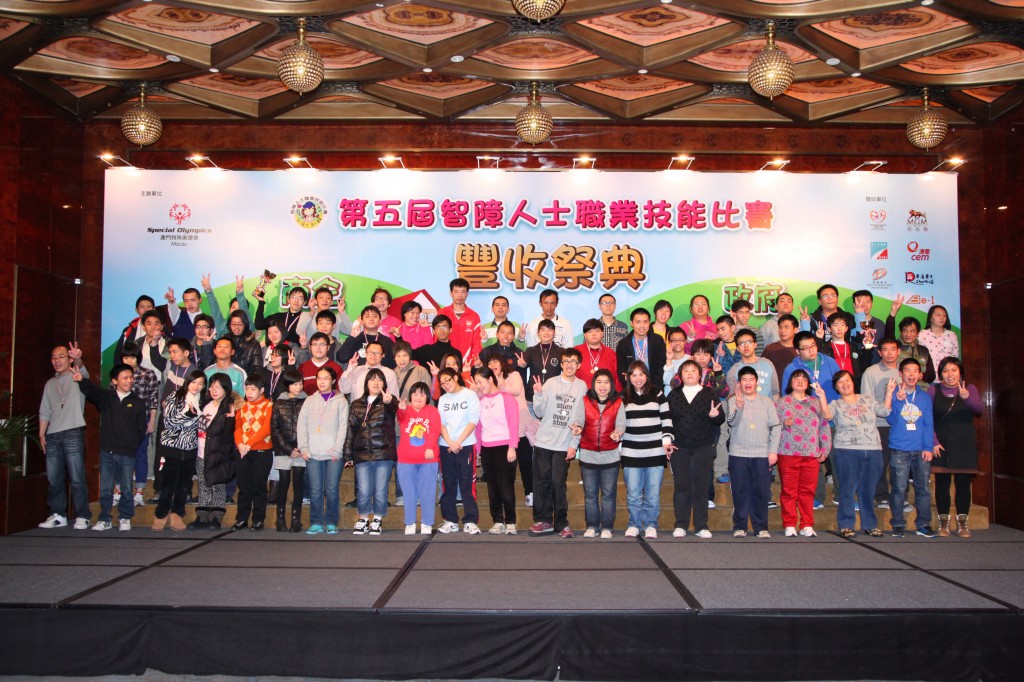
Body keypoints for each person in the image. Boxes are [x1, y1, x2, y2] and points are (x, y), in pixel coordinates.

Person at [72, 363, 148, 531]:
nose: (129, 380)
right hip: (107, 452)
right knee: (106, 489)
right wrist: (81, 380)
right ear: (114, 381)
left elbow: (141, 429)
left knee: (127, 488)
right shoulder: (107, 398)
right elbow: (92, 391)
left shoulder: (138, 402)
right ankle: (104, 518)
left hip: (127, 453)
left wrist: (131, 446)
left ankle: (125, 517)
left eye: (131, 377)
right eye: (125, 378)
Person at [825, 370, 895, 538]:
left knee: (868, 490)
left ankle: (870, 525)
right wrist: (821, 396)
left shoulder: (867, 399)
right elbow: (827, 416)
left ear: (853, 381)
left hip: (873, 450)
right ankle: (846, 524)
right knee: (847, 489)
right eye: (840, 382)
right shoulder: (835, 404)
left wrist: (889, 393)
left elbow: (884, 412)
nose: (845, 384)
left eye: (847, 380)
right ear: (836, 387)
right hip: (846, 451)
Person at [530, 348, 587, 538]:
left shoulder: (581, 387)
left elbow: (580, 417)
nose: (569, 365)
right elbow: (539, 412)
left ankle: (562, 523)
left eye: (573, 361)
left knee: (557, 483)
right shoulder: (550, 383)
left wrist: (574, 444)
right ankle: (543, 521)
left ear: (579, 365)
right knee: (542, 483)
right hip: (543, 442)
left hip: (563, 445)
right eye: (566, 361)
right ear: (561, 364)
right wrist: (539, 394)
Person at [665, 360, 724, 538]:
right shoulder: (674, 394)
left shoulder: (709, 393)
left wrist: (714, 415)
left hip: (703, 447)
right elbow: (667, 420)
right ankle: (681, 525)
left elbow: (720, 418)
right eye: (686, 370)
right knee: (681, 487)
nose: (690, 373)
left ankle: (701, 526)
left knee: (701, 487)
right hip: (679, 447)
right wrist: (667, 440)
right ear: (680, 375)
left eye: (693, 370)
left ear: (700, 374)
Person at [38, 344, 91, 530]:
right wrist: (42, 433)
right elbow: (45, 410)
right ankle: (58, 514)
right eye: (53, 358)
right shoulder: (50, 383)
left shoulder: (77, 375)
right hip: (52, 435)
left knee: (77, 477)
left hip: (73, 432)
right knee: (54, 478)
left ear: (69, 359)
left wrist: (78, 358)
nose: (57, 361)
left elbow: (82, 370)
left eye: (61, 357)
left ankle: (82, 515)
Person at [568, 368, 624, 539]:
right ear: (593, 384)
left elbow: (621, 424)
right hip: (588, 456)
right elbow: (579, 420)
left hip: (610, 456)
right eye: (599, 382)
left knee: (608, 495)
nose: (603, 386)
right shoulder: (585, 401)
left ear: (611, 385)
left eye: (606, 382)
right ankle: (592, 526)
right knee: (590, 495)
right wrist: (578, 428)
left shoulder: (618, 402)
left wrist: (618, 434)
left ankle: (607, 527)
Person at [775, 370, 831, 537]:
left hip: (811, 453)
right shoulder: (781, 403)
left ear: (808, 383)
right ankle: (789, 524)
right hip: (788, 452)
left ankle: (807, 524)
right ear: (790, 381)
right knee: (789, 491)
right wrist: (784, 424)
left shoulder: (816, 402)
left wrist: (825, 448)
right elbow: (773, 426)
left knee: (808, 491)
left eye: (804, 379)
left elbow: (824, 426)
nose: (800, 381)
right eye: (796, 378)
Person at [726, 366, 781, 538]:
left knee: (761, 492)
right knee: (739, 492)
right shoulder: (734, 400)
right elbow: (732, 423)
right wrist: (739, 407)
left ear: (757, 382)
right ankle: (740, 526)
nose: (748, 383)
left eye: (751, 379)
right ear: (739, 383)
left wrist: (773, 451)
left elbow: (776, 427)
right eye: (744, 379)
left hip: (762, 454)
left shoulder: (766, 401)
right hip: (738, 453)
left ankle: (761, 527)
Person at [620, 361, 672, 539]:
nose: (638, 378)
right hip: (631, 452)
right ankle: (634, 524)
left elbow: (666, 419)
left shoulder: (657, 393)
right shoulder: (622, 396)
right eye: (634, 375)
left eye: (641, 374)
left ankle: (650, 524)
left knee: (653, 493)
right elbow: (619, 423)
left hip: (655, 451)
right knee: (633, 493)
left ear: (647, 376)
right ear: (628, 377)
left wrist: (666, 440)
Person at [929, 358, 981, 538]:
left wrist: (967, 398)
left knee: (963, 484)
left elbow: (978, 409)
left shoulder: (969, 388)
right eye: (945, 371)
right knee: (942, 484)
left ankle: (962, 525)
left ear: (960, 372)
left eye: (954, 370)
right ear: (940, 374)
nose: (950, 374)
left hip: (964, 443)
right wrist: (934, 441)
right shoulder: (933, 390)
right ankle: (943, 525)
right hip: (941, 443)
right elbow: (927, 418)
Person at [344, 368, 399, 536]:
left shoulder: (388, 401)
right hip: (362, 453)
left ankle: (377, 518)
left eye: (380, 379)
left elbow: (395, 408)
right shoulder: (356, 404)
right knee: (363, 489)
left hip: (384, 453)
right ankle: (363, 518)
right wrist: (348, 455)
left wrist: (390, 401)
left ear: (385, 384)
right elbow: (350, 430)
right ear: (366, 383)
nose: (376, 382)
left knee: (380, 489)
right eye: (372, 379)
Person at [886, 358, 937, 538]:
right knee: (899, 489)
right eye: (908, 370)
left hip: (921, 449)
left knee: (923, 489)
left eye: (915, 371)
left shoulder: (924, 397)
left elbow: (928, 423)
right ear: (901, 374)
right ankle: (898, 524)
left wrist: (928, 447)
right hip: (899, 448)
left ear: (920, 375)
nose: (912, 374)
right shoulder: (894, 394)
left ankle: (923, 525)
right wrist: (898, 401)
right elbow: (890, 419)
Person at [297, 366, 349, 535]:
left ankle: (332, 522)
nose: (322, 381)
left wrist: (338, 450)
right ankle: (316, 522)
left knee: (332, 489)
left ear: (333, 381)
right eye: (319, 378)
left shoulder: (341, 401)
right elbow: (301, 425)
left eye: (326, 378)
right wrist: (304, 447)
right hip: (312, 452)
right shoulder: (309, 400)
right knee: (315, 489)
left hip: (333, 452)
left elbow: (343, 427)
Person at [152, 370, 206, 531]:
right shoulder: (175, 397)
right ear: (187, 382)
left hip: (190, 448)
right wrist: (188, 415)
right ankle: (160, 515)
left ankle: (177, 514)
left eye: (200, 383)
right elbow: (168, 422)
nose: (196, 386)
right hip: (172, 446)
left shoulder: (202, 400)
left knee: (184, 485)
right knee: (168, 484)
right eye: (193, 382)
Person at [473, 367, 520, 535]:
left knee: (506, 487)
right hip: (487, 449)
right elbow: (478, 428)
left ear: (490, 379)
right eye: (476, 383)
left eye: (480, 382)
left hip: (505, 448)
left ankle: (511, 522)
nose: (479, 386)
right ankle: (498, 521)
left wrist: (512, 447)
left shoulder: (506, 398)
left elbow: (513, 422)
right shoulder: (480, 401)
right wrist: (479, 451)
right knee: (492, 489)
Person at [436, 367, 482, 534]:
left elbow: (473, 420)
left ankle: (470, 520)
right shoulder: (443, 399)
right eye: (442, 383)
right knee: (448, 483)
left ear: (455, 377)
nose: (445, 385)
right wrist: (450, 442)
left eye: (447, 380)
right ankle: (450, 520)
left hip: (466, 445)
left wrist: (458, 442)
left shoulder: (469, 395)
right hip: (446, 446)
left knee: (467, 483)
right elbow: (441, 423)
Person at [487, 354, 536, 509]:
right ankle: (506, 497)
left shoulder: (514, 374)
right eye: (489, 363)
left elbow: (516, 390)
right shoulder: (489, 382)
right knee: (506, 466)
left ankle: (530, 493)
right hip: (503, 429)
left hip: (520, 425)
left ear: (502, 363)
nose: (492, 365)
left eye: (494, 361)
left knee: (526, 462)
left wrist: (502, 385)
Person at [860, 337, 902, 509]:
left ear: (899, 351)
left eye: (893, 349)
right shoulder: (871, 372)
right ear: (879, 352)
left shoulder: (904, 371)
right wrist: (884, 412)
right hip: (880, 424)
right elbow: (867, 400)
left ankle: (901, 497)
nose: (889, 353)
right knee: (880, 463)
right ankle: (882, 496)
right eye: (885, 349)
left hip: (901, 425)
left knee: (900, 464)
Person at [192, 372, 237, 531]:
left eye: (218, 387)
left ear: (226, 388)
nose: (213, 390)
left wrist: (231, 419)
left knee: (217, 485)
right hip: (201, 452)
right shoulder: (206, 404)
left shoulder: (230, 406)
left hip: (219, 453)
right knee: (203, 484)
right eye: (211, 387)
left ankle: (216, 517)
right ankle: (202, 516)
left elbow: (229, 434)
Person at [396, 382, 442, 535]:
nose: (418, 397)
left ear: (427, 397)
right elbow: (400, 417)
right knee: (408, 493)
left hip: (428, 460)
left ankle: (427, 522)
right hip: (406, 459)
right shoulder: (405, 410)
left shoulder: (432, 411)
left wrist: (429, 446)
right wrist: (401, 409)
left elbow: (435, 430)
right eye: (415, 394)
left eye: (422, 395)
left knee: (428, 492)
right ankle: (409, 522)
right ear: (410, 396)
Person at [233, 373, 274, 531]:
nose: (249, 392)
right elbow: (237, 427)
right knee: (243, 486)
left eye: (253, 389)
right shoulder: (242, 406)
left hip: (261, 451)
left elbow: (266, 429)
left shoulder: (269, 406)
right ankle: (241, 518)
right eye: (247, 389)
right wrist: (240, 444)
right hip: (243, 451)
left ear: (261, 390)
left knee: (259, 486)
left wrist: (248, 444)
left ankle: (258, 519)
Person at [119, 341, 158, 507]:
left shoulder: (148, 374)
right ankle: (119, 491)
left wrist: (152, 421)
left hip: (142, 421)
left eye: (132, 357)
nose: (129, 361)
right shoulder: (117, 375)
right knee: (120, 456)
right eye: (126, 358)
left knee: (141, 455)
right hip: (121, 422)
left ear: (138, 358)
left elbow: (153, 399)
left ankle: (139, 493)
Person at [271, 367, 306, 533]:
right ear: (287, 385)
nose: (298, 387)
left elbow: (309, 426)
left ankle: (295, 520)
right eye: (294, 384)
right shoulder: (278, 403)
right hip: (283, 450)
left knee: (299, 484)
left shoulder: (307, 401)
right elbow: (275, 429)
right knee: (283, 484)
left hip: (301, 450)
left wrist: (301, 447)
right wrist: (287, 449)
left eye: (300, 384)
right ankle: (280, 520)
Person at [616, 307, 668, 392]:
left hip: (654, 388)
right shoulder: (623, 344)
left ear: (649, 323)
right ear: (631, 323)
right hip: (632, 390)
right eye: (638, 322)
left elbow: (661, 366)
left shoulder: (657, 340)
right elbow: (620, 369)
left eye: (645, 322)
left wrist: (654, 388)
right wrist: (626, 377)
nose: (642, 326)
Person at [439, 278, 482, 367]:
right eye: (456, 291)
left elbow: (476, 342)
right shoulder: (442, 313)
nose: (459, 295)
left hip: (467, 364)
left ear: (467, 294)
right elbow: (437, 338)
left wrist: (475, 361)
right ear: (451, 293)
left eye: (463, 292)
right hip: (446, 363)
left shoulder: (474, 316)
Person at [725, 328, 780, 399]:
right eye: (742, 343)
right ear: (737, 348)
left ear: (755, 345)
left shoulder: (768, 364)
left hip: (768, 405)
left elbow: (775, 392)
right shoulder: (734, 371)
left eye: (749, 342)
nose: (746, 346)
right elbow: (730, 398)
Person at [522, 318, 564, 402]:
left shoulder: (561, 351)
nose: (546, 333)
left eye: (550, 330)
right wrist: (523, 365)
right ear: (538, 333)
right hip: (532, 395)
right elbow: (523, 366)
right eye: (543, 330)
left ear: (554, 333)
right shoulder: (531, 350)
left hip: (553, 396)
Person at [575, 318, 620, 390]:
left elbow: (616, 379)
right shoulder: (576, 351)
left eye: (597, 331)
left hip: (604, 394)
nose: (594, 334)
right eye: (590, 331)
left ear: (602, 333)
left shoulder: (611, 354)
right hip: (580, 393)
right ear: (585, 335)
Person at [298, 332, 344, 397]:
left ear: (328, 347)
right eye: (315, 344)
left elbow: (340, 393)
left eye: (322, 344)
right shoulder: (302, 368)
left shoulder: (336, 368)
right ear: (310, 347)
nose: (318, 348)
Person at [919, 304, 959, 369]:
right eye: (938, 315)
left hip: (946, 373)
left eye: (944, 315)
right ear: (930, 318)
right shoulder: (922, 334)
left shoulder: (952, 335)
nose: (941, 318)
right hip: (927, 373)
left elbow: (955, 357)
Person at [224, 310, 263, 374]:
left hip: (247, 378)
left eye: (240, 324)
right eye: (233, 324)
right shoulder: (224, 341)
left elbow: (257, 369)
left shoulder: (253, 343)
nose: (236, 327)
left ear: (245, 325)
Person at [763, 313, 799, 380]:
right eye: (780, 327)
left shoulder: (801, 350)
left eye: (786, 327)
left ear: (796, 330)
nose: (782, 330)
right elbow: (762, 370)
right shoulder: (770, 349)